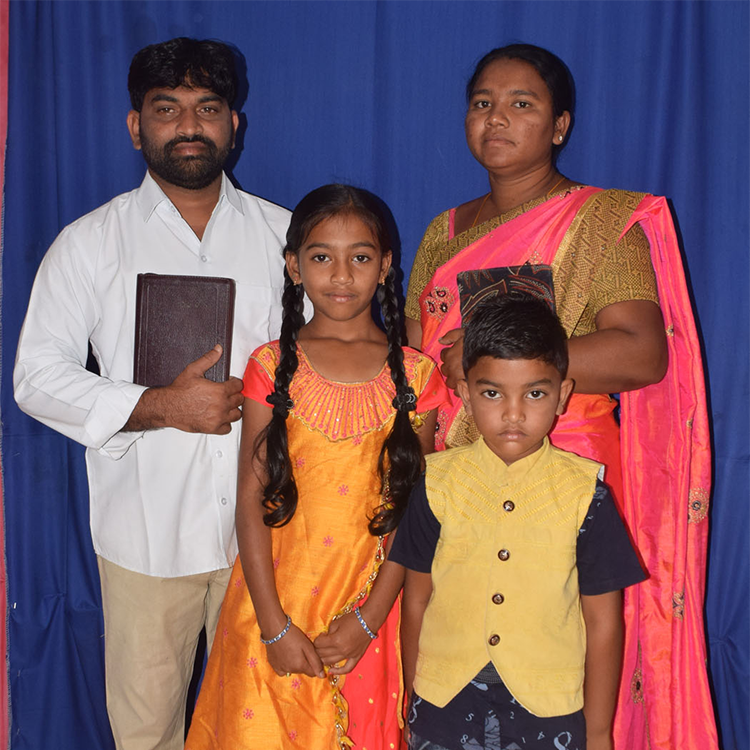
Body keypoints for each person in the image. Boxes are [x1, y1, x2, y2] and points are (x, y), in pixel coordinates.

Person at [404, 44, 716, 749]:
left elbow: (641, 351)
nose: (497, 118)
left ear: (560, 125)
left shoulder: (601, 224)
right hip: (459, 478)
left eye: (522, 104)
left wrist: (497, 361)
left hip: (563, 474)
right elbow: (417, 365)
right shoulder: (442, 233)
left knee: (559, 655)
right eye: (482, 103)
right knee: (457, 642)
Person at [13, 38, 291, 750]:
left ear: (235, 125)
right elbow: (35, 376)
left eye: (208, 108)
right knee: (145, 736)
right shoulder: (90, 243)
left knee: (263, 731)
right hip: (142, 538)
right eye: (167, 109)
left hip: (267, 539)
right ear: (136, 126)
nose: (189, 125)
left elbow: (335, 360)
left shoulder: (287, 238)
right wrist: (160, 406)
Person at [185, 184, 446, 750]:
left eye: (361, 257)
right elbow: (251, 500)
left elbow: (416, 511)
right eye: (322, 257)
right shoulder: (270, 365)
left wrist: (371, 618)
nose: (342, 275)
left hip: (367, 611)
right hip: (272, 609)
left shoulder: (417, 376)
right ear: (294, 267)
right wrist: (272, 624)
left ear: (385, 266)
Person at [392, 294, 647, 750]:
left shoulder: (586, 494)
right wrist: (415, 701)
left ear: (562, 396)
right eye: (493, 393)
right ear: (465, 394)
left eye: (535, 393)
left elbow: (604, 621)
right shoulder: (435, 484)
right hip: (444, 708)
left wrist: (598, 731)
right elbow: (416, 601)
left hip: (548, 714)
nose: (514, 413)